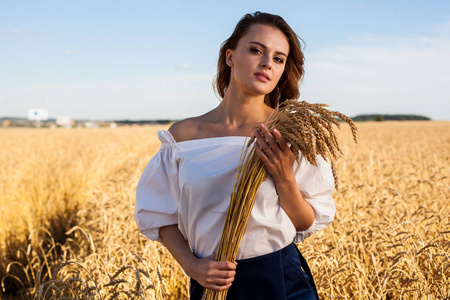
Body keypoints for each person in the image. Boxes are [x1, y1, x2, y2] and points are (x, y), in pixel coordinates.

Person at [135, 11, 335, 300]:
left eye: (278, 58)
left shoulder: (290, 134)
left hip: (280, 277)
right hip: (212, 280)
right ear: (230, 56)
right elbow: (160, 213)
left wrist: (284, 177)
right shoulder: (183, 136)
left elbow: (305, 221)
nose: (267, 62)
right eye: (256, 50)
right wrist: (192, 266)